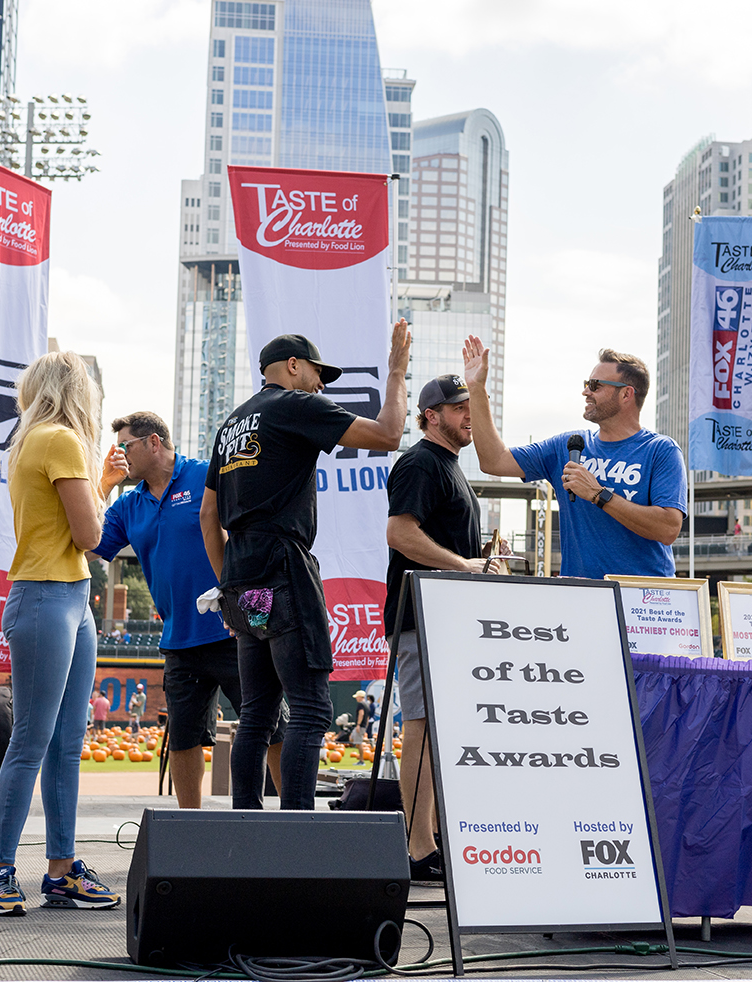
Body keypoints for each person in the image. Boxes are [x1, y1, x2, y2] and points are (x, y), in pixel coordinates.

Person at [200, 325, 412, 810]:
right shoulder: (292, 405)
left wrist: (227, 585)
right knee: (312, 707)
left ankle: (246, 831)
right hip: (282, 567)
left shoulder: (231, 424)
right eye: (319, 374)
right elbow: (389, 434)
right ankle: (297, 834)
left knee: (255, 713)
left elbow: (208, 516)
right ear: (294, 365)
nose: (322, 386)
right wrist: (397, 371)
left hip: (241, 578)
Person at [0, 350, 119, 917]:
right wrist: (102, 486)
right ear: (76, 390)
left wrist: (103, 481)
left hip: (62, 595)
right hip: (49, 596)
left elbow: (73, 533)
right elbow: (90, 534)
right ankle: (2, 873)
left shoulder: (35, 439)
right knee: (39, 743)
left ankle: (57, 871)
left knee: (60, 744)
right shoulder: (60, 440)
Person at [92, 412, 285, 808]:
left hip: (234, 631)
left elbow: (251, 532)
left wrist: (253, 610)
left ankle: (301, 818)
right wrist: (102, 487)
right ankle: (189, 827)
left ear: (153, 443)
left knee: (275, 727)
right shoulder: (129, 505)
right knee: (183, 736)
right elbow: (91, 547)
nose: (119, 454)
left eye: (125, 446)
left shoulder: (206, 476)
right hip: (178, 641)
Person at [384, 372, 497, 881]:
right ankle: (417, 846)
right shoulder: (420, 462)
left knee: (435, 729)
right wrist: (464, 565)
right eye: (457, 406)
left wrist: (479, 562)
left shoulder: (447, 466)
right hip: (421, 616)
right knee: (422, 726)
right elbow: (400, 533)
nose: (468, 413)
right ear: (430, 415)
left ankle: (425, 840)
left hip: (444, 617)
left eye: (469, 404)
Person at [461, 339, 686, 579]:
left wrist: (599, 495)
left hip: (644, 599)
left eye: (595, 385)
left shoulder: (661, 450)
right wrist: (476, 390)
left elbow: (668, 529)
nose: (585, 391)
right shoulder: (567, 446)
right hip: (580, 598)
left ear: (626, 394)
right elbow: (494, 461)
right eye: (587, 384)